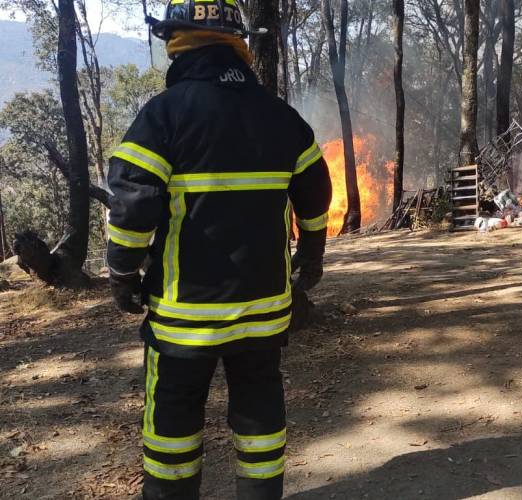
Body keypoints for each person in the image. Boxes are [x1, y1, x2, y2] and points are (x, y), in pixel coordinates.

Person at [105, 0, 332, 497]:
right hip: (264, 311)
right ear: (237, 45)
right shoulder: (280, 115)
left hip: (184, 316)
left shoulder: (163, 115)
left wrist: (121, 272)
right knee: (260, 411)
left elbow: (132, 203)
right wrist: (312, 252)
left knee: (173, 419)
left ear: (177, 41)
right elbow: (316, 191)